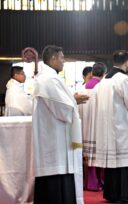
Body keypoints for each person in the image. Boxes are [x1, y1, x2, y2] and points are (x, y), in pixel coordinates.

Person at [32, 45, 83, 204]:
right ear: (52, 58)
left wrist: (72, 100)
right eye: (61, 58)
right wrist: (75, 101)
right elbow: (63, 109)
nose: (63, 61)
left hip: (54, 138)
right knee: (57, 180)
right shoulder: (49, 79)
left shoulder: (48, 77)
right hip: (55, 142)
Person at [95, 50, 128, 203]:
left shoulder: (104, 81)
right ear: (127, 62)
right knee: (123, 163)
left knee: (113, 164)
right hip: (122, 129)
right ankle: (123, 195)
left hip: (108, 130)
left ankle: (111, 193)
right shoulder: (124, 79)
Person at [79, 62, 107, 191]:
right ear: (104, 73)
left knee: (86, 154)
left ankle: (87, 182)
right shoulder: (102, 88)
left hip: (83, 129)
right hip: (97, 128)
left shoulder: (82, 88)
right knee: (98, 154)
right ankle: (99, 181)